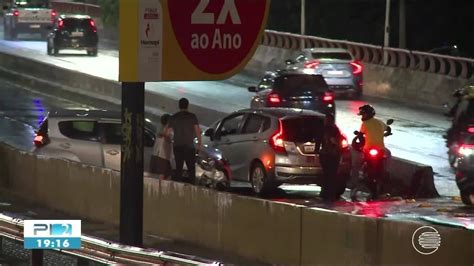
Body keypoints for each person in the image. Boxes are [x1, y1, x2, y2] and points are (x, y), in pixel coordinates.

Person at [166, 98, 202, 184]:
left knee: (179, 168)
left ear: (179, 106)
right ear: (187, 106)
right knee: (191, 169)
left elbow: (168, 133)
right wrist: (199, 144)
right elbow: (197, 131)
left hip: (177, 145)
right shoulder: (192, 116)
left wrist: (172, 140)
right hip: (189, 146)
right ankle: (192, 188)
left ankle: (178, 187)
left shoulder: (174, 117)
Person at [319, 113, 343, 201]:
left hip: (329, 155)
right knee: (330, 174)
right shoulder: (334, 130)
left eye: (326, 120)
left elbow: (321, 141)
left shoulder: (329, 130)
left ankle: (326, 192)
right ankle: (329, 192)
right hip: (331, 155)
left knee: (328, 174)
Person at [150, 114, 173, 180]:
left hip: (161, 154)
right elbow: (166, 135)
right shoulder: (166, 128)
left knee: (166, 174)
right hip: (162, 154)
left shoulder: (161, 127)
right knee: (162, 173)